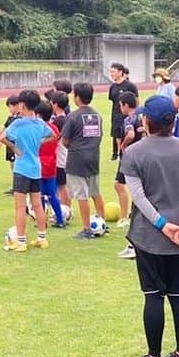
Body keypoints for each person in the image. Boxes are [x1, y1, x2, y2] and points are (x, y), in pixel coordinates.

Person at [122, 96, 179, 357]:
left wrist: (161, 224)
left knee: (153, 296)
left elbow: (139, 196)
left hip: (149, 237)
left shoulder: (133, 153)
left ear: (146, 121)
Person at [0, 89, 54, 253]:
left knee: (20, 206)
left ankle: (21, 241)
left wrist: (14, 147)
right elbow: (53, 136)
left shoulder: (18, 123)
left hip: (22, 168)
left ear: (22, 104)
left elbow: (2, 137)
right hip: (36, 167)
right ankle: (42, 238)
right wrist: (40, 143)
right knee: (37, 204)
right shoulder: (39, 123)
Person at [61, 82, 108, 240]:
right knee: (95, 192)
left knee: (81, 195)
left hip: (77, 160)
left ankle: (87, 229)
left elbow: (65, 141)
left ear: (77, 97)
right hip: (93, 157)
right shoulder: (97, 116)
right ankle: (102, 222)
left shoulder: (73, 116)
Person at [114, 91, 144, 258]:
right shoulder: (142, 115)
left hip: (130, 158)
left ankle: (125, 217)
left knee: (120, 184)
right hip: (143, 157)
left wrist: (123, 146)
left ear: (125, 105)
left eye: (121, 105)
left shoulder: (129, 119)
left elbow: (131, 134)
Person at [34, 101, 66, 228]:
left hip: (40, 165)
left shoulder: (39, 129)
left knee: (39, 195)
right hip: (52, 164)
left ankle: (42, 221)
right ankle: (60, 220)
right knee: (52, 195)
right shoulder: (54, 128)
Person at [108, 63, 139, 160]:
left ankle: (127, 153)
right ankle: (119, 154)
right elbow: (113, 102)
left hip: (127, 116)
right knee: (116, 136)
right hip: (116, 116)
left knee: (128, 135)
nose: (111, 74)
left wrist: (133, 115)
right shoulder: (112, 87)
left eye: (113, 72)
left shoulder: (130, 86)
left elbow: (136, 101)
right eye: (110, 72)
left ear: (120, 72)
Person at [50, 91, 71, 210]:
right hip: (67, 156)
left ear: (56, 104)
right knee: (64, 185)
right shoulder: (68, 118)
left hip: (60, 158)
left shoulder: (58, 121)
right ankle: (67, 208)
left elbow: (54, 138)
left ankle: (65, 209)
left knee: (62, 186)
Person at [0, 94, 20, 196]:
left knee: (16, 166)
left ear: (16, 105)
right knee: (12, 166)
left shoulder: (19, 118)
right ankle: (15, 187)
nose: (9, 109)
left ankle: (17, 188)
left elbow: (8, 131)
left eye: (10, 106)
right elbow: (3, 127)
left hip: (14, 145)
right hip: (9, 145)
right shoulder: (11, 117)